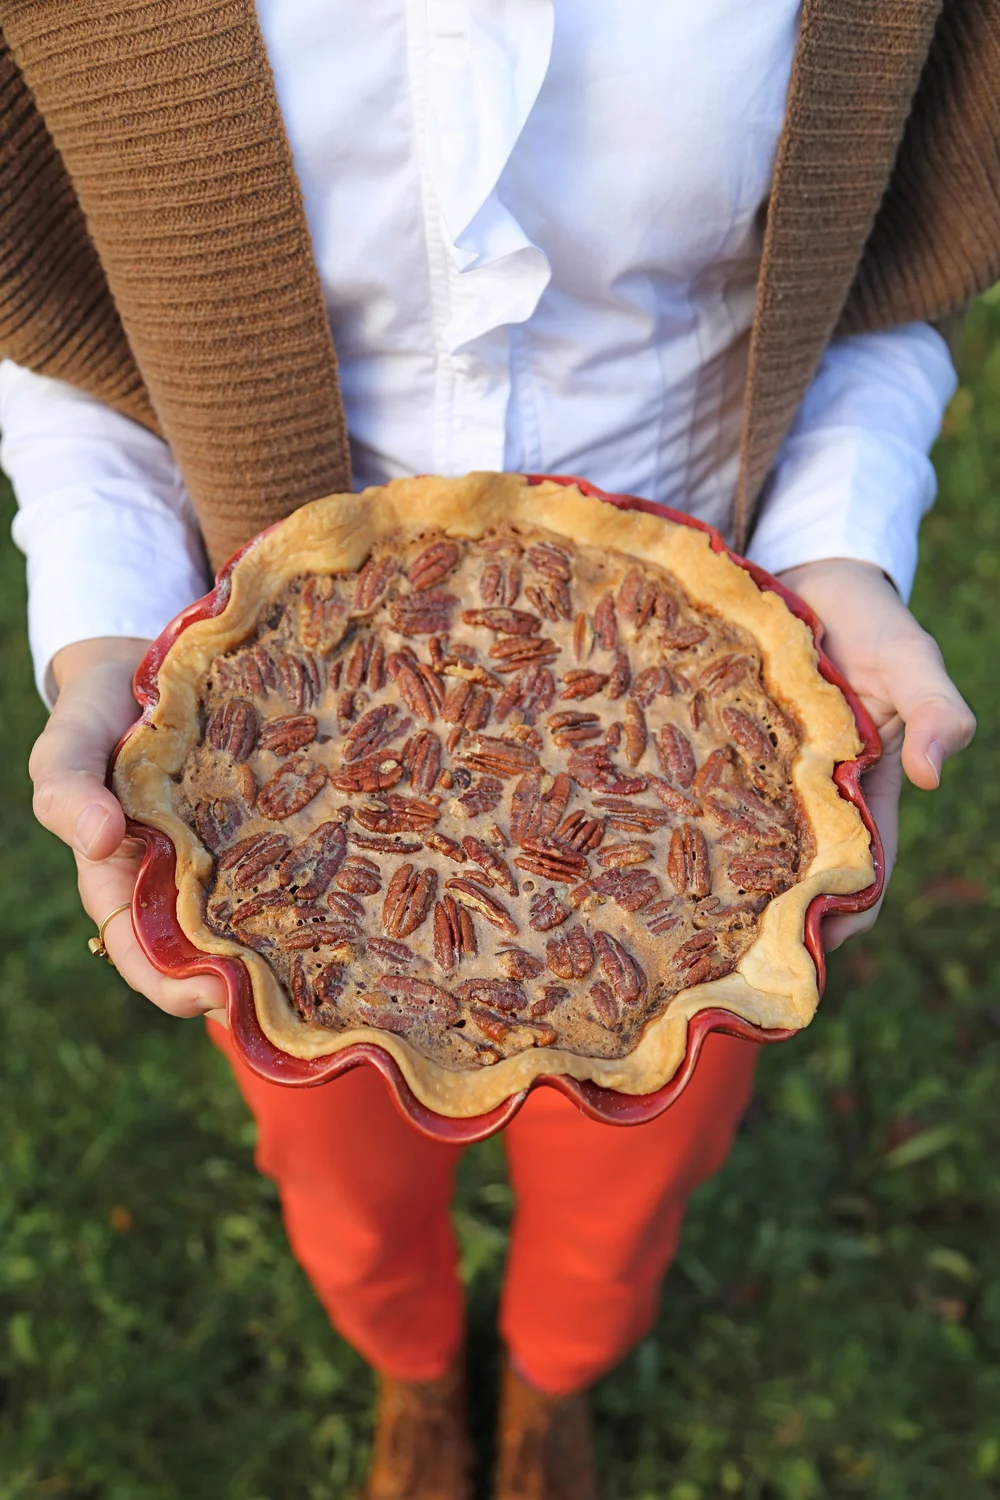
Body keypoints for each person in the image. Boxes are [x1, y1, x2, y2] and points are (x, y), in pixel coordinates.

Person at [2, 4, 985, 1496]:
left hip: (706, 691)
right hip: (276, 768)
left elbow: (889, 278)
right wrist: (108, 642)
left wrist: (836, 560)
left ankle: (551, 1378)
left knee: (633, 1178)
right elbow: (77, 336)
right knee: (340, 1178)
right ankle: (413, 1368)